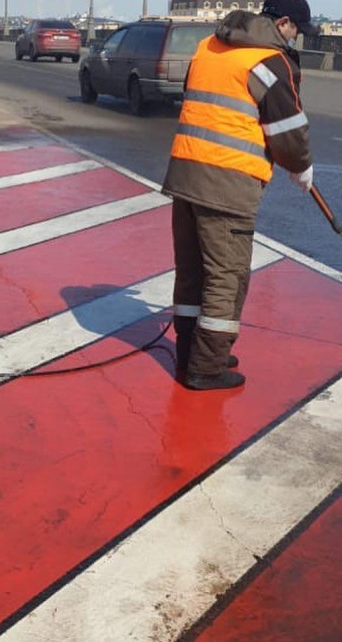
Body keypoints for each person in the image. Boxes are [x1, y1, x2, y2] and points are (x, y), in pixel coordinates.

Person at [162, 0, 318, 391]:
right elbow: (288, 132)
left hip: (185, 173)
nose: (296, 38)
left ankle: (191, 352)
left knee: (192, 270)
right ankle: (207, 367)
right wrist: (300, 166)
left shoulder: (208, 46)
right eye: (297, 30)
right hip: (228, 184)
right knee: (225, 277)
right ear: (284, 22)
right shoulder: (270, 62)